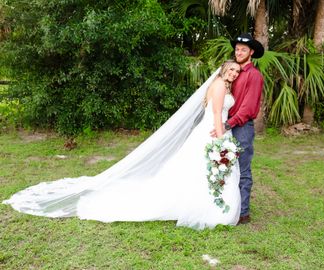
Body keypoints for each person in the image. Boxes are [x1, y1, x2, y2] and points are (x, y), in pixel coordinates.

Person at [3, 60, 242, 230]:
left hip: (211, 132)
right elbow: (214, 117)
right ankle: (206, 206)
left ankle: (206, 203)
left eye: (237, 71)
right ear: (223, 69)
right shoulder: (220, 85)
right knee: (204, 170)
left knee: (196, 172)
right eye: (231, 69)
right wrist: (221, 140)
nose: (233, 73)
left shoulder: (221, 84)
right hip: (212, 134)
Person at [223, 33, 265, 224]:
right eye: (237, 49)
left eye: (243, 50)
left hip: (241, 127)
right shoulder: (234, 71)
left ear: (251, 52)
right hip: (228, 123)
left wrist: (228, 124)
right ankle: (228, 207)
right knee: (226, 166)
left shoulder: (254, 76)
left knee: (243, 170)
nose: (239, 52)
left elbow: (247, 109)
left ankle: (243, 213)